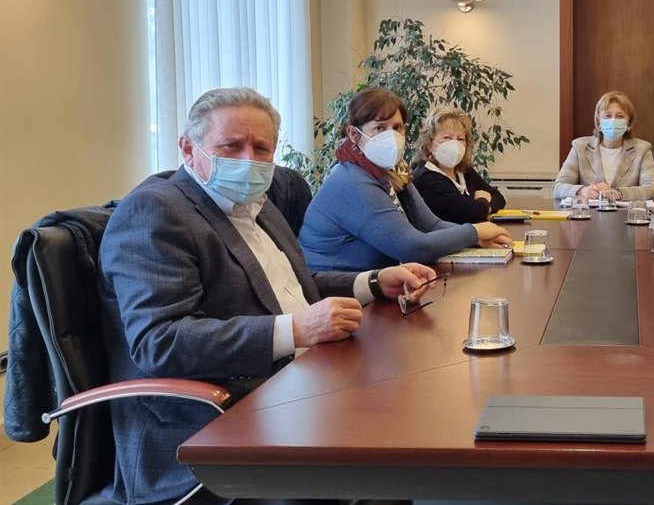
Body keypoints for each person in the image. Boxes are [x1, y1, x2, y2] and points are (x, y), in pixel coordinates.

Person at [99, 87, 437, 505]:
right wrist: (296, 329)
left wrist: (373, 281)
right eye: (230, 146)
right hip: (216, 423)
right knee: (391, 451)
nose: (249, 160)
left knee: (409, 410)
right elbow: (160, 342)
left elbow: (289, 284)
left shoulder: (257, 202)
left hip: (296, 387)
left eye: (261, 148)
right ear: (187, 148)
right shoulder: (156, 211)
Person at [300, 87, 511, 269]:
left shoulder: (394, 172)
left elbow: (431, 225)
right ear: (354, 134)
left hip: (380, 282)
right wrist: (474, 232)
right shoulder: (351, 179)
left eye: (397, 127)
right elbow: (412, 247)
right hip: (337, 290)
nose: (391, 136)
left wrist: (477, 240)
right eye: (380, 128)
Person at [553, 90, 654, 201]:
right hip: (589, 211)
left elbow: (653, 189)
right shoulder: (580, 147)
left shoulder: (642, 149)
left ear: (628, 122)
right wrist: (583, 190)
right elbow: (558, 187)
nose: (613, 120)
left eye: (619, 116)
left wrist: (618, 193)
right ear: (598, 120)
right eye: (608, 116)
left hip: (625, 212)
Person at [410, 106, 507, 224]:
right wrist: (483, 200)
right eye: (447, 138)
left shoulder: (464, 171)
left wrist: (483, 207)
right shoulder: (425, 177)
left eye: (460, 139)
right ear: (429, 144)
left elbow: (499, 198)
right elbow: (471, 212)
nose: (454, 144)